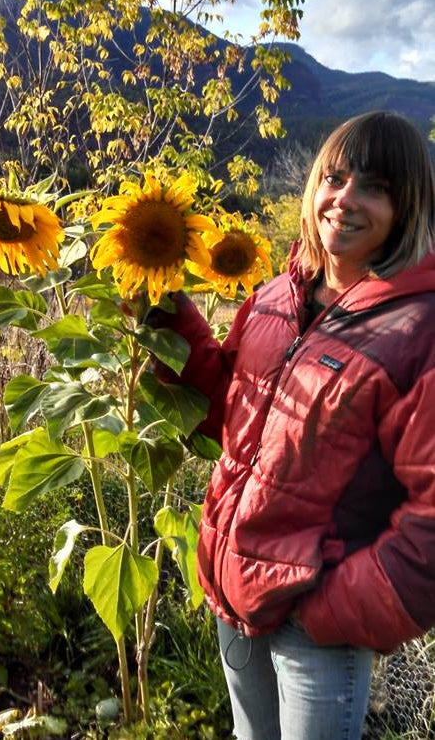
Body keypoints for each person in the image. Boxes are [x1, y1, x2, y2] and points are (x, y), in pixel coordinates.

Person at [150, 111, 435, 740]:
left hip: (317, 628)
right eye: (334, 177)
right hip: (235, 592)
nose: (345, 200)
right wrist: (165, 317)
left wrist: (332, 608)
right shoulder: (277, 295)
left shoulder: (419, 331)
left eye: (376, 187)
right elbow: (229, 412)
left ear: (410, 204)